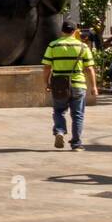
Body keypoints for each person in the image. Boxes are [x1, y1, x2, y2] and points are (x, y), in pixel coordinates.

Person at [42, 20, 98, 151]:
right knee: (77, 114)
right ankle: (76, 144)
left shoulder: (53, 46)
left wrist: (46, 83)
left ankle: (60, 131)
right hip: (78, 84)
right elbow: (89, 68)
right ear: (75, 31)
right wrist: (94, 86)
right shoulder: (83, 47)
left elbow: (47, 67)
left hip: (59, 85)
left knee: (59, 111)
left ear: (62, 31)